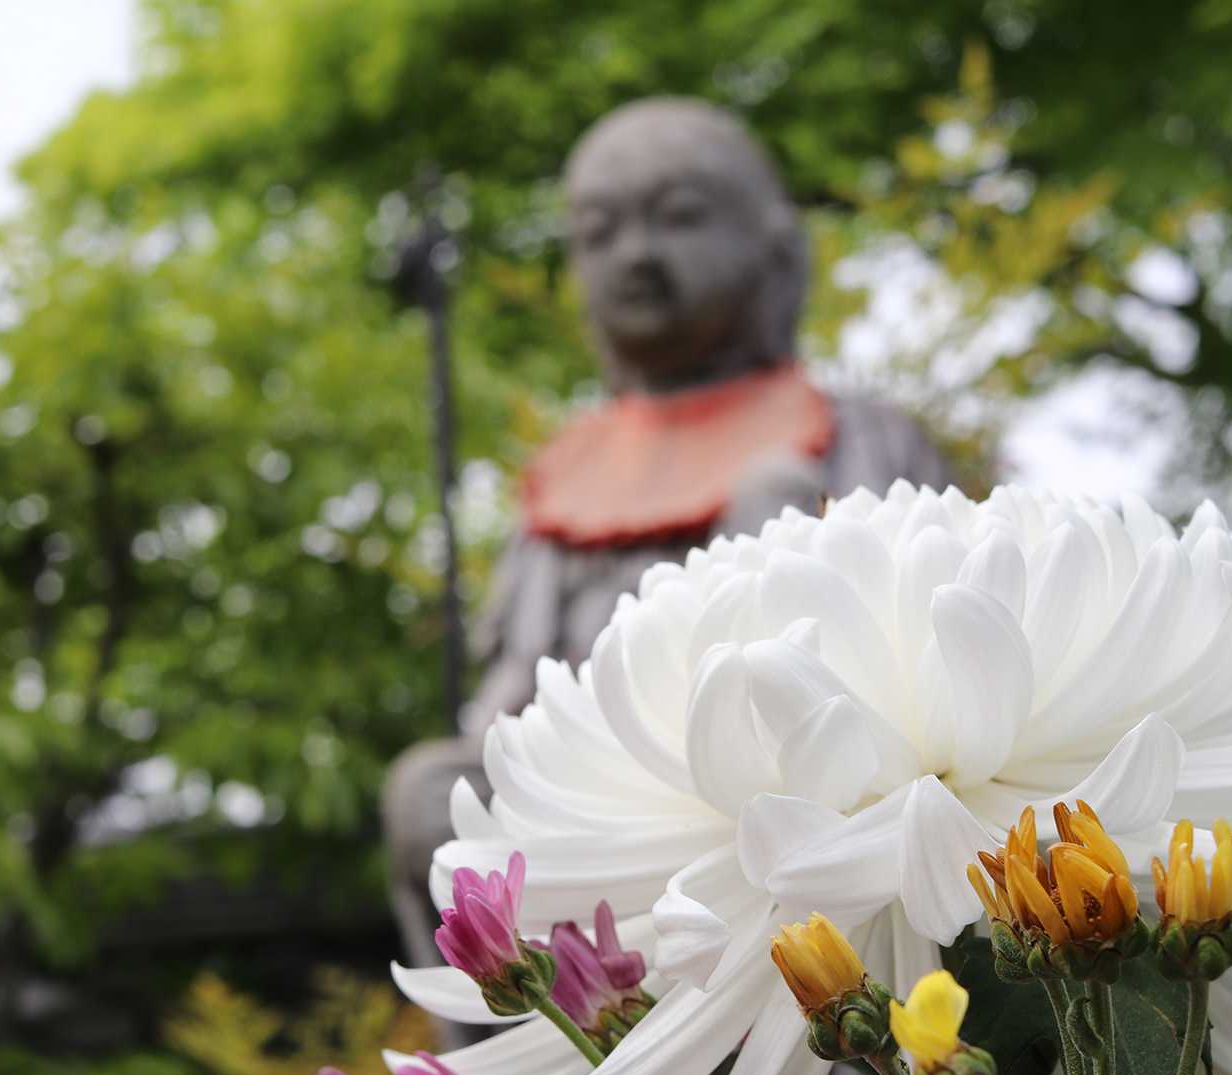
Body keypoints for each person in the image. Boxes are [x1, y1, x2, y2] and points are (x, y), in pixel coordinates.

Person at [383, 97, 945, 965]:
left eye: (681, 218)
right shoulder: (565, 479)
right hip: (597, 805)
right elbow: (509, 702)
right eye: (600, 231)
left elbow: (916, 662)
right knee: (426, 789)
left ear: (773, 247)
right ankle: (532, 1068)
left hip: (792, 801)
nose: (637, 255)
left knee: (777, 498)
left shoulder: (855, 437)